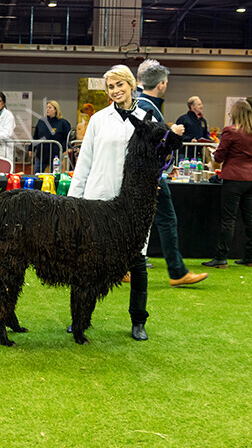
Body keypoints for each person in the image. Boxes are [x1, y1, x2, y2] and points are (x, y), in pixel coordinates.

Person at [67, 65, 181, 341]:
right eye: (111, 87)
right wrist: (72, 201)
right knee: (88, 261)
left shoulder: (149, 115)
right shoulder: (99, 120)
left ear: (131, 85)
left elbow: (163, 153)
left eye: (120, 85)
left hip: (134, 204)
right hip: (99, 197)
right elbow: (85, 162)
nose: (116, 91)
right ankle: (80, 318)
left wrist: (172, 138)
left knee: (137, 259)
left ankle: (138, 320)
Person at [136, 64, 208, 287]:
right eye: (166, 82)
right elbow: (148, 142)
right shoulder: (148, 107)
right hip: (150, 174)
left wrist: (166, 166)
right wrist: (172, 134)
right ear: (161, 84)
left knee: (137, 221)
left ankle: (126, 267)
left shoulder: (141, 104)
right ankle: (177, 271)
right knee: (166, 220)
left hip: (149, 172)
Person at [202, 101, 252, 269]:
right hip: (250, 178)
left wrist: (214, 154)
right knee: (249, 218)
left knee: (229, 219)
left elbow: (219, 157)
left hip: (234, 179)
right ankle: (251, 256)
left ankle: (221, 257)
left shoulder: (230, 131)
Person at [32, 100, 71, 173]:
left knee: (55, 175)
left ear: (56, 109)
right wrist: (31, 148)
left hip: (56, 155)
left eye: (50, 107)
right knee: (37, 174)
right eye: (46, 107)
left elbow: (68, 138)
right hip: (41, 153)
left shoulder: (63, 123)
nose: (47, 109)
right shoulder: (41, 121)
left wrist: (65, 148)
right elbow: (36, 136)